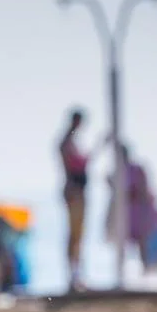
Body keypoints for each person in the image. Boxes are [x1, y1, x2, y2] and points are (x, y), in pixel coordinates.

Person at [57, 109, 106, 292]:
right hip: (74, 192)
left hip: (77, 191)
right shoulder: (66, 142)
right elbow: (79, 164)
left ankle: (76, 275)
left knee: (78, 235)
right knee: (75, 235)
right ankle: (73, 277)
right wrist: (99, 146)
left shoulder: (69, 141)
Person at [109, 145, 157, 272]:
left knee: (142, 242)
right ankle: (120, 272)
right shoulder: (117, 172)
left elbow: (143, 191)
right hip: (124, 212)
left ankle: (146, 270)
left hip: (138, 211)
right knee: (121, 242)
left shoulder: (137, 169)